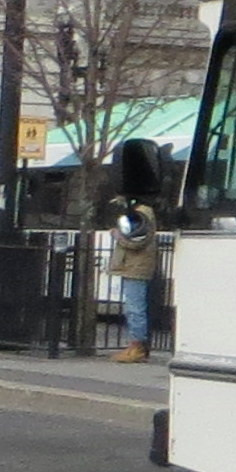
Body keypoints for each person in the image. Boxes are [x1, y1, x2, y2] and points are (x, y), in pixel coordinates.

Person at [102, 140, 165, 364]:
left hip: (136, 267)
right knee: (135, 307)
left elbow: (138, 240)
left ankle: (137, 347)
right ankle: (138, 345)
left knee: (135, 308)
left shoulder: (142, 212)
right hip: (135, 267)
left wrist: (118, 237)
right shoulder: (144, 210)